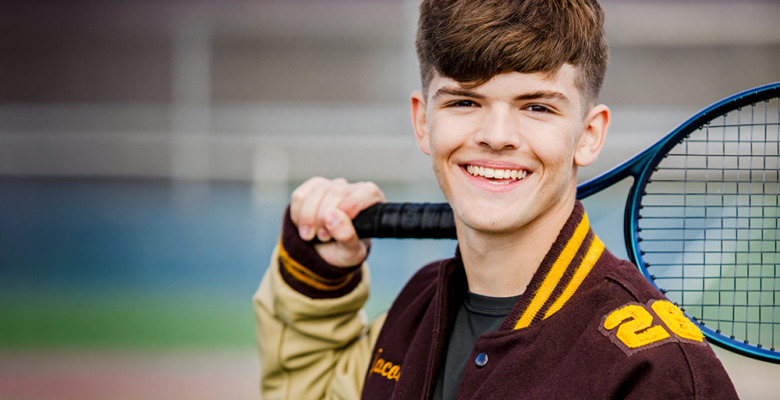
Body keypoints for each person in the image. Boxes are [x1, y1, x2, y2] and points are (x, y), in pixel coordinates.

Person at [253, 0, 739, 398]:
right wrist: (317, 279)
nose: (497, 135)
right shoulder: (416, 309)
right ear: (424, 122)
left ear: (589, 135)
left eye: (536, 107)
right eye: (465, 101)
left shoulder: (655, 371)